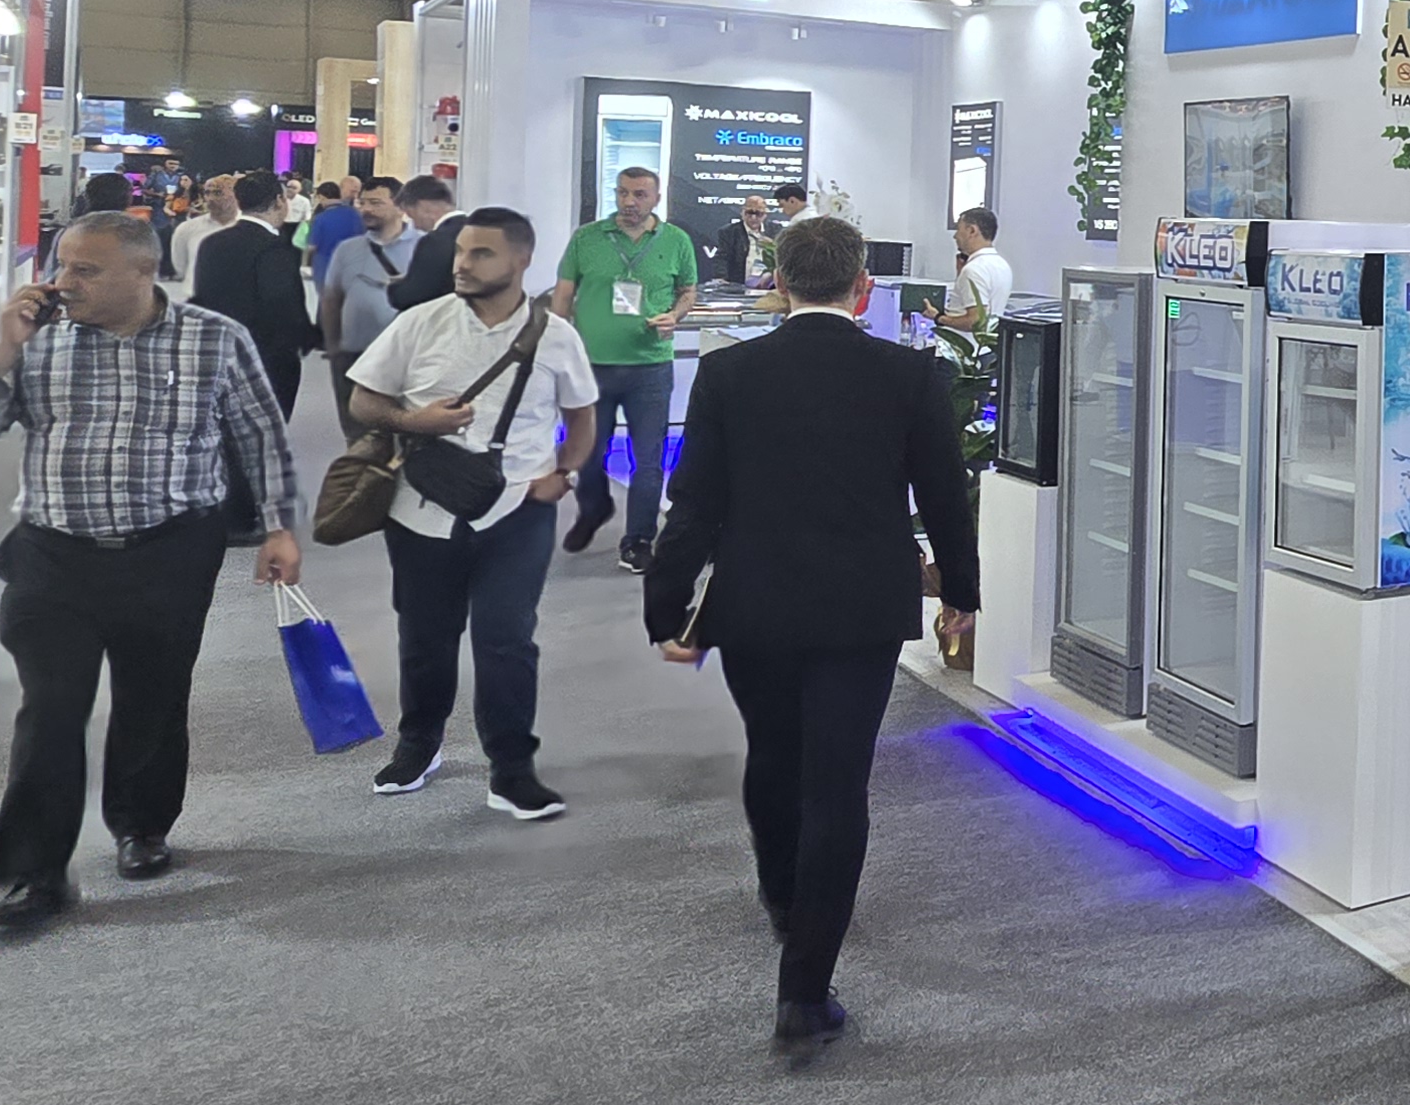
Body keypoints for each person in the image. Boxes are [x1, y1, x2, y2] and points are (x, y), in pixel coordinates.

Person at [647, 213, 978, 1055]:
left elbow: (694, 504)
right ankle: (804, 993)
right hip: (863, 608)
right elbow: (945, 497)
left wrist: (666, 608)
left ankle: (783, 894)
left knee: (772, 752)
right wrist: (961, 594)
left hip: (754, 602)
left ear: (781, 284)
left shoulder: (728, 372)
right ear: (862, 287)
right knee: (837, 783)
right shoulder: (910, 373)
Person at [0, 212, 301, 933]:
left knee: (154, 696)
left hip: (170, 549)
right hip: (53, 553)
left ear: (143, 272)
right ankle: (36, 873)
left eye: (85, 269)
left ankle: (141, 824)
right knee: (50, 709)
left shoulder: (215, 339)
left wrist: (278, 526)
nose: (63, 282)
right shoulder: (38, 341)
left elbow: (261, 435)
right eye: (61, 265)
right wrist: (3, 352)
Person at [347, 207, 599, 820]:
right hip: (421, 508)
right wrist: (414, 420)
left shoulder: (556, 336)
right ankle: (419, 744)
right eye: (461, 251)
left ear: (521, 260)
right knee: (425, 637)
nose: (463, 263)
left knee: (506, 638)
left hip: (517, 510)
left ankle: (511, 769)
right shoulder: (420, 322)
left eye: (481, 253)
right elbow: (363, 400)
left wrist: (565, 473)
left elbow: (582, 415)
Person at [553, 165, 702, 573]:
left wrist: (676, 315)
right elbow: (563, 296)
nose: (629, 202)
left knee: (648, 461)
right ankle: (594, 507)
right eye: (622, 193)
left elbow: (688, 290)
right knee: (587, 453)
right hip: (592, 368)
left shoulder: (675, 241)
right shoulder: (587, 238)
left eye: (639, 194)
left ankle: (637, 540)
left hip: (650, 368)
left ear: (656, 199)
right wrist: (556, 350)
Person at [190, 173, 319, 422]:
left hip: (220, 353)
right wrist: (305, 338)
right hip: (266, 358)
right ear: (280, 201)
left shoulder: (211, 243)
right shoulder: (276, 248)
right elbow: (282, 305)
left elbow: (204, 297)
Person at [320, 176, 421, 403]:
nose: (366, 209)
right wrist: (334, 347)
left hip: (405, 359)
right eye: (362, 203)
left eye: (376, 203)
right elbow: (331, 300)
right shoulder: (347, 250)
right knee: (353, 422)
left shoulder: (423, 247)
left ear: (401, 207)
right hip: (353, 356)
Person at [382, 174, 461, 311]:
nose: (416, 226)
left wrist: (395, 287)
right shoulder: (477, 229)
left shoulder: (434, 241)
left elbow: (413, 296)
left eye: (411, 216)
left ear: (423, 206)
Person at [165, 175, 239, 303]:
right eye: (207, 193)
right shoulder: (186, 229)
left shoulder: (249, 229)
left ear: (236, 194)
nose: (210, 198)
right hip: (197, 298)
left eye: (218, 193)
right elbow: (180, 266)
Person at [940, 207, 1013, 335]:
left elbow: (976, 321)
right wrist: (960, 275)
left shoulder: (974, 269)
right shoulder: (1002, 265)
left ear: (972, 231)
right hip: (987, 342)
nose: (955, 236)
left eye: (958, 229)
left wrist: (939, 318)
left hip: (964, 345)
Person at [706, 191, 777, 294]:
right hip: (739, 284)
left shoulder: (775, 231)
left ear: (765, 215)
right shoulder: (729, 232)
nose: (753, 218)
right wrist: (721, 277)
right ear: (742, 213)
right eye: (749, 213)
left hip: (769, 284)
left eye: (758, 214)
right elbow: (722, 257)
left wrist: (772, 245)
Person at [306, 180, 359, 284]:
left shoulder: (320, 218)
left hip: (325, 267)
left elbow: (312, 246)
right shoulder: (355, 214)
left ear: (321, 197)